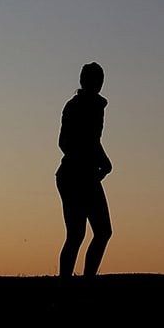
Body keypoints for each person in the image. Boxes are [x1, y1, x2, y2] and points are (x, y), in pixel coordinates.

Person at [56, 61, 114, 280]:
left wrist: (103, 160)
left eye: (100, 80)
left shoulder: (94, 106)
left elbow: (92, 141)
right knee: (79, 234)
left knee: (99, 232)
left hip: (82, 174)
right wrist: (95, 160)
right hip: (75, 175)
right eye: (94, 79)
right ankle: (69, 286)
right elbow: (66, 142)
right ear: (85, 81)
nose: (98, 84)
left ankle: (82, 284)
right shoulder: (77, 106)